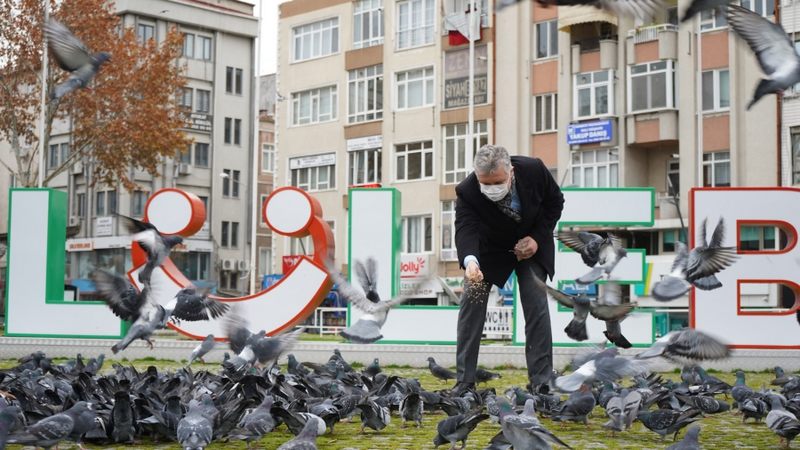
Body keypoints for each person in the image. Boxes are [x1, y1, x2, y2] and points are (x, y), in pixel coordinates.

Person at [452, 144, 564, 396]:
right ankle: (465, 382)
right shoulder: (468, 190)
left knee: (536, 305)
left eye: (498, 182)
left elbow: (555, 202)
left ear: (511, 171)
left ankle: (541, 381)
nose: (491, 189)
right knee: (472, 302)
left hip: (531, 248)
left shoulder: (534, 170)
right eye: (485, 184)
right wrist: (471, 262)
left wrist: (536, 238)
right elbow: (465, 228)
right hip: (488, 254)